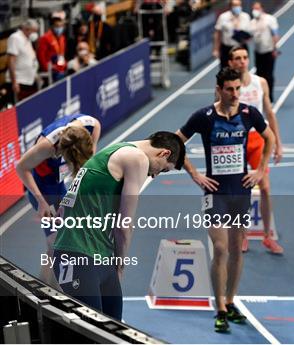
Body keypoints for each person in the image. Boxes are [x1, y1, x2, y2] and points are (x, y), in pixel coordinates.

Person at [177, 68, 274, 333]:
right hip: (215, 192)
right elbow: (176, 141)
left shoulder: (248, 114)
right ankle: (219, 307)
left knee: (236, 247)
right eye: (229, 89)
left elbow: (269, 138)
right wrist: (195, 173)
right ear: (219, 89)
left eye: (237, 89)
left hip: (240, 191)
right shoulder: (204, 117)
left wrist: (260, 169)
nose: (234, 94)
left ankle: (231, 301)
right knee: (220, 249)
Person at [53, 131, 185, 320]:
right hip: (79, 255)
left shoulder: (116, 150)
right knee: (92, 332)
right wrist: (121, 264)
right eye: (163, 169)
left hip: (98, 254)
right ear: (163, 153)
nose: (155, 175)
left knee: (114, 330)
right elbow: (124, 224)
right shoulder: (137, 158)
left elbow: (67, 203)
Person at [15, 114, 101, 287]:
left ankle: (46, 287)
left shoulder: (91, 125)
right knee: (55, 244)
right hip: (44, 189)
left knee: (67, 238)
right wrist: (41, 202)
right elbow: (21, 167)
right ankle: (48, 292)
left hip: (59, 183)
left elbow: (88, 164)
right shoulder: (47, 146)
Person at [228, 46, 283, 254]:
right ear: (231, 62)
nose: (242, 61)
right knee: (241, 191)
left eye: (244, 57)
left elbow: (269, 112)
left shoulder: (260, 83)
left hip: (258, 140)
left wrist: (278, 142)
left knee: (266, 188)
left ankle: (268, 236)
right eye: (237, 58)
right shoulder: (228, 86)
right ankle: (242, 235)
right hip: (236, 141)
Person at [251, 2, 279, 102]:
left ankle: (270, 96)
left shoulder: (270, 19)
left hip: (269, 51)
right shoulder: (252, 22)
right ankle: (261, 96)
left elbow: (275, 34)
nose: (255, 11)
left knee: (268, 75)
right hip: (258, 52)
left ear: (262, 9)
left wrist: (275, 49)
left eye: (257, 8)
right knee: (258, 75)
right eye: (254, 8)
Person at [6, 19, 39, 102]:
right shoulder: (15, 38)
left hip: (29, 81)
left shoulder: (27, 39)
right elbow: (11, 60)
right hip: (19, 81)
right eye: (34, 31)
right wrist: (14, 82)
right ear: (27, 29)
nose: (35, 34)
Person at [213, 0, 251, 69]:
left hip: (241, 47)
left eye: (239, 5)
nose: (237, 7)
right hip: (227, 49)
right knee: (225, 71)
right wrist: (216, 49)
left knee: (242, 70)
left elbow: (249, 33)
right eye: (235, 5)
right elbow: (217, 33)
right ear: (230, 6)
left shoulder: (246, 17)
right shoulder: (223, 17)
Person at [37, 13, 67, 82]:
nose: (59, 28)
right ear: (52, 26)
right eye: (57, 26)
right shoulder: (45, 38)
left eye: (61, 26)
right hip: (51, 70)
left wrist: (64, 65)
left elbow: (62, 53)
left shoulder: (62, 38)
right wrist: (46, 69)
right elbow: (41, 55)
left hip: (60, 68)